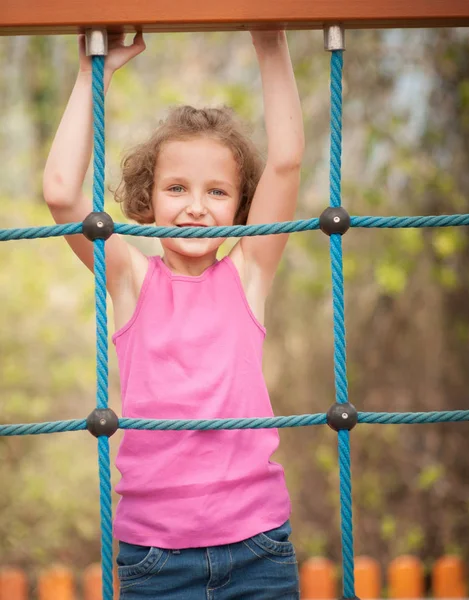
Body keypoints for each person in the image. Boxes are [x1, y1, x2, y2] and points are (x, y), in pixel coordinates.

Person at [43, 28, 304, 599]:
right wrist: (96, 73)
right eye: (177, 187)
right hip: (155, 561)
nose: (194, 207)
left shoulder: (248, 274)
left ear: (241, 208)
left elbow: (286, 163)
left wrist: (269, 41)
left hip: (258, 547)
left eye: (217, 193)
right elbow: (62, 193)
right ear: (147, 200)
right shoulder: (132, 280)